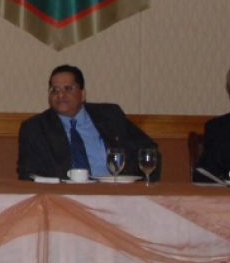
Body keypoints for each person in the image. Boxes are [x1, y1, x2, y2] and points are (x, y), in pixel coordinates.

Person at [17, 64, 157, 180]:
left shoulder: (110, 116)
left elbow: (148, 149)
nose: (60, 95)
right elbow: (27, 173)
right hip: (64, 199)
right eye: (55, 90)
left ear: (83, 94)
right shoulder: (35, 128)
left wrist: (141, 188)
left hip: (114, 195)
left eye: (68, 88)